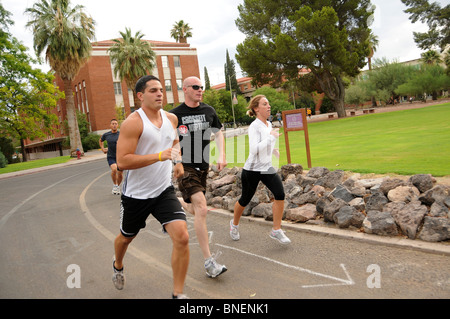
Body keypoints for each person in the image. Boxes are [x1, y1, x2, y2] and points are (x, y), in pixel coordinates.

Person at [113, 75, 189, 299]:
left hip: (163, 190)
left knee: (182, 237)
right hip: (136, 195)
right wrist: (158, 156)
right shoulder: (133, 123)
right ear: (140, 96)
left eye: (161, 90)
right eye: (153, 90)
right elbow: (123, 161)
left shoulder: (171, 119)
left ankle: (178, 294)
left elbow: (173, 142)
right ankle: (118, 264)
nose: (159, 94)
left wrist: (177, 161)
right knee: (126, 237)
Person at [169, 76, 228, 278]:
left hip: (203, 166)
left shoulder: (209, 111)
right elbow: (167, 139)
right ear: (185, 89)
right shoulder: (174, 115)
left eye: (201, 87)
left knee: (195, 209)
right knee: (202, 208)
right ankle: (209, 262)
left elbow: (218, 132)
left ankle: (175, 202)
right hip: (185, 166)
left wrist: (221, 154)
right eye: (195, 87)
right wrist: (175, 159)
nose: (200, 90)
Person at [230, 95, 291, 244]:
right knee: (245, 199)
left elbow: (264, 145)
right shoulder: (254, 126)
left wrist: (273, 149)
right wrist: (271, 138)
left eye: (268, 103)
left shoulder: (268, 124)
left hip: (266, 167)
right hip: (252, 170)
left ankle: (276, 230)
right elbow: (254, 149)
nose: (269, 106)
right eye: (265, 104)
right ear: (256, 109)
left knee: (279, 194)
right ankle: (234, 224)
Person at [99, 119, 123, 195]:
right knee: (114, 169)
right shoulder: (106, 134)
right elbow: (100, 140)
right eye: (113, 123)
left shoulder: (121, 134)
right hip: (111, 156)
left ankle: (117, 187)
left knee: (120, 174)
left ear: (118, 125)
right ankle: (115, 185)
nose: (114, 125)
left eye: (116, 123)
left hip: (120, 157)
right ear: (110, 125)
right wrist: (102, 149)